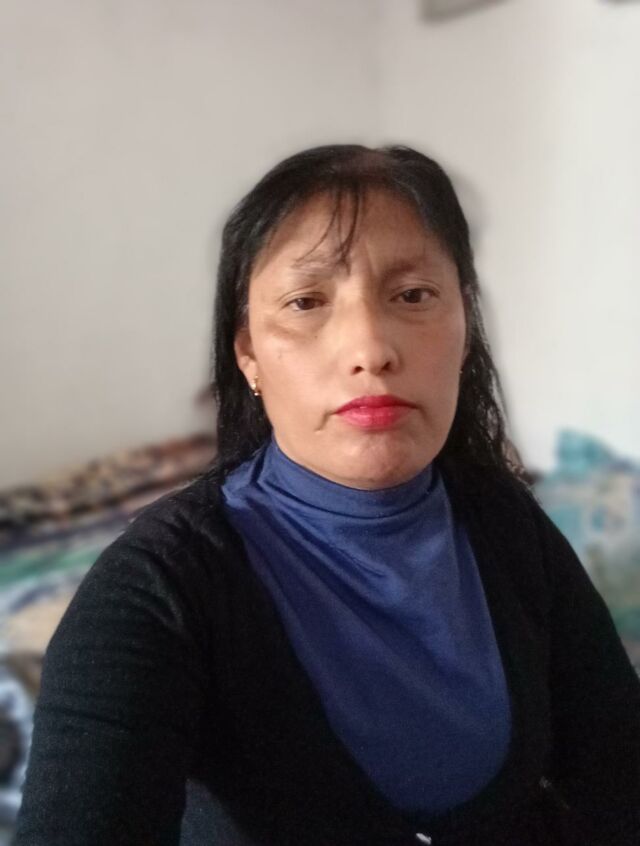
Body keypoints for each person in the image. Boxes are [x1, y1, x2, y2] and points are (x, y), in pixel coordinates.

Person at [13, 145, 640, 846]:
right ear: (249, 356)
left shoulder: (503, 520)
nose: (370, 348)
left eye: (412, 295)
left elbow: (619, 772)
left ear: (465, 326)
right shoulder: (157, 589)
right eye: (306, 302)